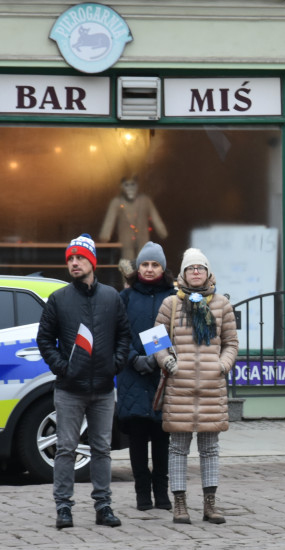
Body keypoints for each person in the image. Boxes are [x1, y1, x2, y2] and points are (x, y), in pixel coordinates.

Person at [37, 233, 131, 529]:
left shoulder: (111, 297)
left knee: (102, 449)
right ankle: (63, 508)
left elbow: (124, 336)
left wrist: (114, 364)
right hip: (69, 390)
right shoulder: (59, 299)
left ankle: (103, 506)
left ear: (92, 262)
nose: (74, 263)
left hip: (103, 389)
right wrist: (61, 367)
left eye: (79, 258)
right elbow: (44, 339)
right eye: (70, 259)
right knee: (65, 448)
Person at [154, 248, 238, 525]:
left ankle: (210, 505)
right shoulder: (170, 304)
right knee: (178, 448)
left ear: (208, 272)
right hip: (180, 387)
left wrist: (222, 366)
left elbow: (231, 344)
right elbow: (156, 342)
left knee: (210, 448)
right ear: (183, 273)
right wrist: (167, 362)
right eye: (191, 268)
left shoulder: (222, 305)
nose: (196, 272)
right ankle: (179, 505)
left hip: (212, 388)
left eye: (200, 268)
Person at [116, 241, 176, 511]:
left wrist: (159, 358)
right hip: (133, 375)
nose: (150, 269)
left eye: (155, 265)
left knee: (162, 437)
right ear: (138, 267)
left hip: (163, 375)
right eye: (145, 264)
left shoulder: (174, 297)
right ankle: (142, 494)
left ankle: (162, 493)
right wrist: (134, 359)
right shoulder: (125, 298)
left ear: (163, 268)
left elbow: (179, 334)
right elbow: (118, 334)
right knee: (138, 438)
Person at [99, 176, 168, 279]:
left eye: (133, 184)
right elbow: (110, 220)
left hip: (143, 241)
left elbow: (155, 217)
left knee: (146, 264)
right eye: (127, 185)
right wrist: (105, 235)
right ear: (121, 186)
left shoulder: (145, 200)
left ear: (138, 186)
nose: (130, 188)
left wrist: (162, 232)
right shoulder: (117, 202)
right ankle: (129, 288)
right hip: (126, 242)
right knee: (127, 268)